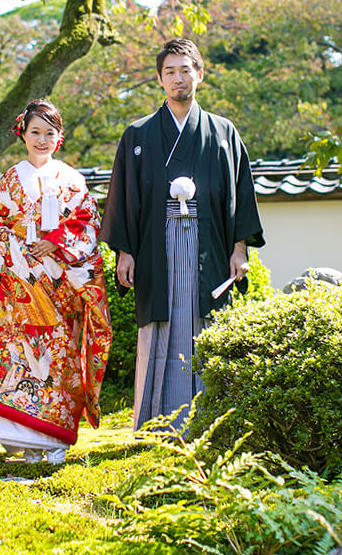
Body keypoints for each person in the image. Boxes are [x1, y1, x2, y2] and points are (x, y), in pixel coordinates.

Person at [100, 38, 265, 431]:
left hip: (208, 245)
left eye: (185, 70)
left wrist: (239, 249)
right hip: (157, 246)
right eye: (170, 71)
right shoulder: (138, 135)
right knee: (162, 324)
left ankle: (208, 421)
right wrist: (125, 252)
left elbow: (240, 193)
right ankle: (157, 421)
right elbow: (124, 198)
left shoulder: (223, 132)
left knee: (204, 324)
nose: (178, 78)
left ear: (200, 75)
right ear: (159, 79)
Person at [0, 99, 112, 464]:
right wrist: (13, 237)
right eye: (36, 132)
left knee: (59, 357)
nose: (42, 139)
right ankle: (24, 441)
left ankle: (56, 442)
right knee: (19, 356)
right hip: (19, 282)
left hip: (61, 281)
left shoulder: (73, 179)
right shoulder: (9, 179)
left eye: (50, 133)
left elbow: (88, 223)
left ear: (59, 137)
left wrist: (57, 240)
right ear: (23, 133)